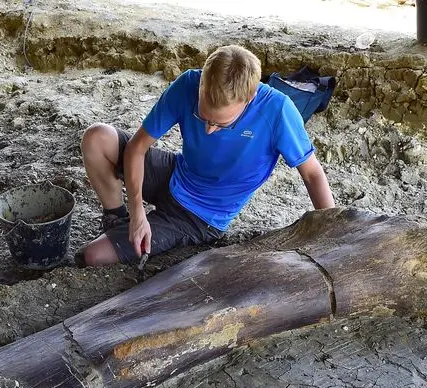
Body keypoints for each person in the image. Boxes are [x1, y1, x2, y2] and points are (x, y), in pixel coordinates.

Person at [77, 45, 334, 267]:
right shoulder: (188, 83)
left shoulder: (277, 111)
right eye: (203, 117)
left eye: (221, 124)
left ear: (250, 98)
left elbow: (312, 174)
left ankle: (134, 232)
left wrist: (333, 233)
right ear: (202, 82)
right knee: (98, 137)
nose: (209, 130)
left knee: (92, 256)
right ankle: (115, 217)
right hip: (177, 172)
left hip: (200, 216)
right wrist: (136, 213)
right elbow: (137, 147)